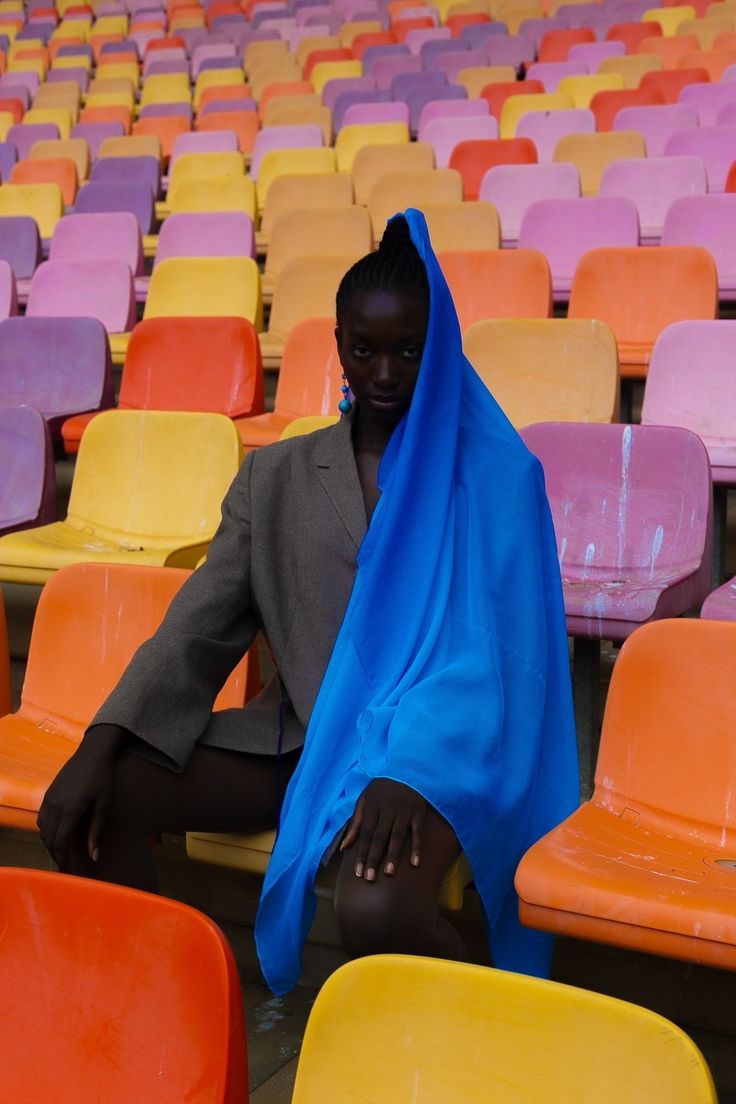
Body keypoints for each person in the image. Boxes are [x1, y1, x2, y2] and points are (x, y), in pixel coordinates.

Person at [37, 210, 578, 995]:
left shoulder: (498, 479)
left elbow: (506, 661)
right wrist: (102, 737)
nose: (386, 373)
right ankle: (170, 1005)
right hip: (308, 741)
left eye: (408, 352)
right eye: (365, 351)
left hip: (442, 752)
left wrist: (411, 766)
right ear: (337, 347)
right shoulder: (278, 477)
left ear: (442, 350)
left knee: (376, 906)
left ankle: (480, 1019)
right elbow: (196, 631)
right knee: (91, 803)